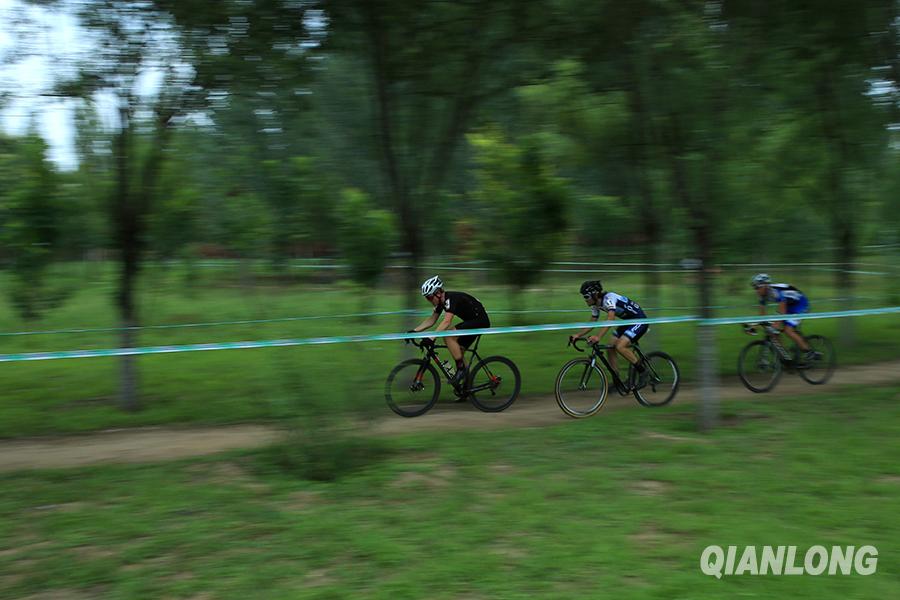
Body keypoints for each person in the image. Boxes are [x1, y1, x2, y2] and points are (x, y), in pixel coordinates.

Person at [409, 276, 491, 386]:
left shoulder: (450, 299)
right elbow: (431, 320)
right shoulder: (441, 303)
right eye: (427, 298)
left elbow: (447, 321)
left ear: (438, 293)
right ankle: (467, 387)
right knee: (458, 351)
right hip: (472, 321)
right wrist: (414, 331)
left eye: (429, 297)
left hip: (480, 321)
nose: (429, 300)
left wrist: (432, 338)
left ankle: (461, 370)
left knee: (448, 336)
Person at [570, 280, 649, 388]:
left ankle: (643, 372)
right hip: (628, 322)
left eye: (586, 296)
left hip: (640, 321)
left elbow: (611, 318)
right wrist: (578, 335)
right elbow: (593, 320)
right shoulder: (595, 304)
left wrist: (598, 337)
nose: (585, 299)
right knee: (610, 347)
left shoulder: (609, 298)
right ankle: (617, 381)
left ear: (595, 294)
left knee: (620, 346)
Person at [750, 273, 816, 361]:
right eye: (755, 288)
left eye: (757, 287)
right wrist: (755, 325)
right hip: (789, 305)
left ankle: (809, 352)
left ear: (765, 286)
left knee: (787, 330)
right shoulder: (762, 295)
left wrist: (776, 324)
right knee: (774, 332)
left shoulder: (775, 292)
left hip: (800, 304)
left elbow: (782, 310)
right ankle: (785, 357)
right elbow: (762, 315)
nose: (756, 290)